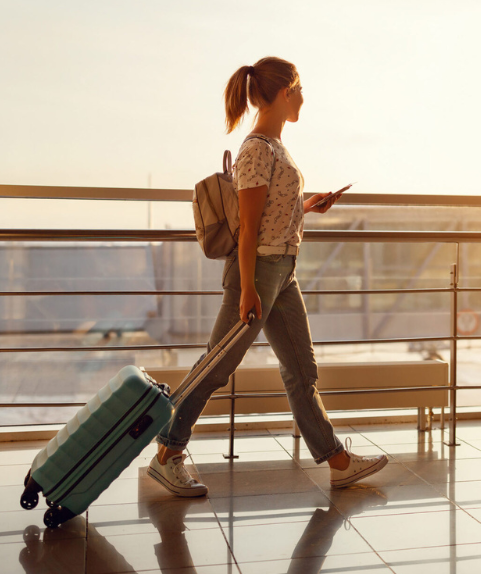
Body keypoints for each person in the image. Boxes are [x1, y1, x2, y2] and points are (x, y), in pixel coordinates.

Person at [147, 56, 388, 496]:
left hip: (283, 272)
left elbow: (273, 212)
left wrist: (307, 206)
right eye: (299, 89)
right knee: (215, 368)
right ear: (283, 92)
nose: (302, 97)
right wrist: (248, 290)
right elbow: (248, 230)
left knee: (301, 370)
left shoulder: (275, 146)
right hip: (256, 273)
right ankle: (167, 451)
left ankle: (337, 461)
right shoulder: (257, 148)